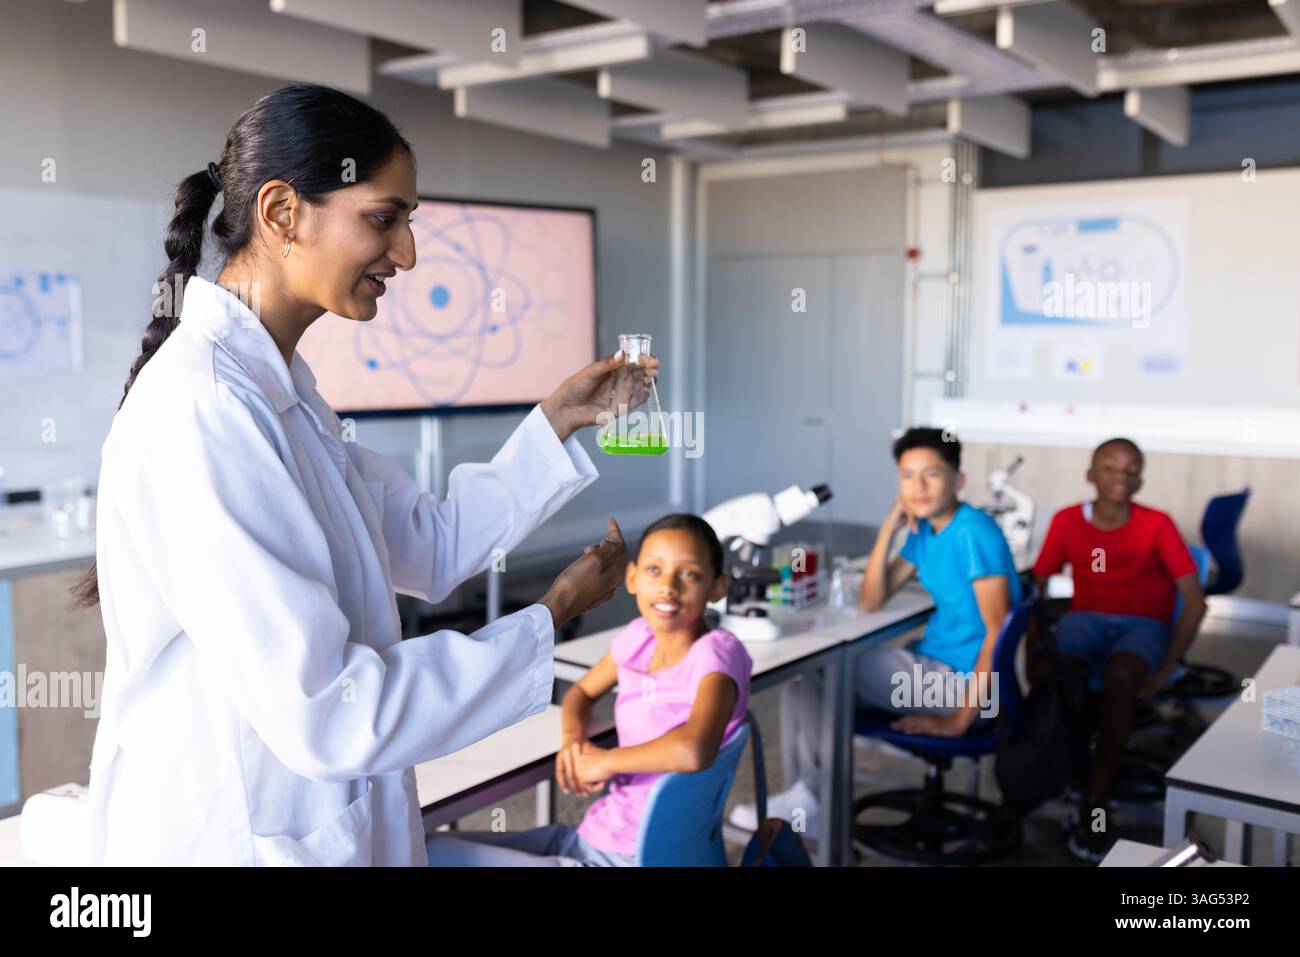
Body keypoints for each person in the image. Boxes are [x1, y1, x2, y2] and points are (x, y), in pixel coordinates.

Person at [76, 84, 657, 866]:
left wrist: (557, 420)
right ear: (283, 214)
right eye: (384, 218)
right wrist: (546, 619)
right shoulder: (204, 409)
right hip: (232, 836)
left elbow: (426, 541)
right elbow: (328, 709)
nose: (408, 253)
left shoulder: (282, 394)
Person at [730, 427, 1020, 840]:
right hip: (935, 667)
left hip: (960, 683)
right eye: (907, 475)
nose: (917, 487)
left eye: (931, 475)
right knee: (804, 687)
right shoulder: (927, 531)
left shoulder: (973, 532)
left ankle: (813, 801)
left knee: (831, 670)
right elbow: (872, 599)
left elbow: (998, 632)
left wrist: (959, 721)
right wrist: (888, 527)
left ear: (958, 480)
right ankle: (809, 797)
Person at [427, 514, 752, 866]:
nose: (668, 586)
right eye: (654, 570)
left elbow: (693, 751)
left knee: (426, 855)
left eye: (688, 574)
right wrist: (573, 744)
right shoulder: (638, 639)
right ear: (632, 578)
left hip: (631, 855)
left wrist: (604, 762)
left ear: (717, 587)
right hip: (596, 836)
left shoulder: (717, 654)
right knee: (420, 848)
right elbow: (580, 693)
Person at [1031, 437, 1206, 863]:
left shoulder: (1156, 524)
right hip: (1086, 619)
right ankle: (1071, 776)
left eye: (1131, 470)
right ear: (1090, 475)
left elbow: (1196, 601)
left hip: (1142, 624)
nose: (1121, 478)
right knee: (1059, 677)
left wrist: (1165, 670)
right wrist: (1033, 655)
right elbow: (1036, 587)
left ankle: (1096, 800)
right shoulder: (1067, 521)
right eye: (1110, 468)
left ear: (1141, 479)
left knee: (1122, 676)